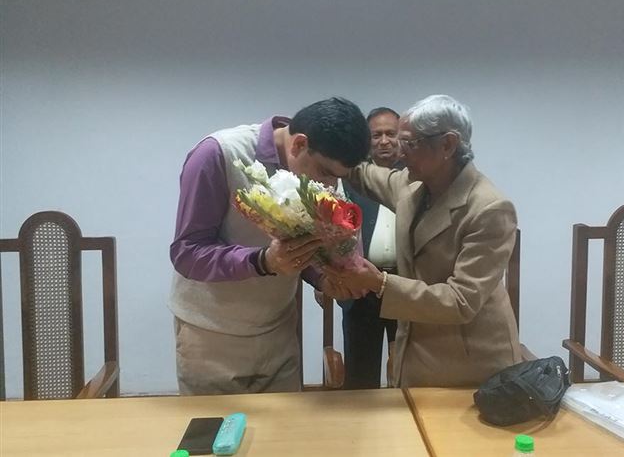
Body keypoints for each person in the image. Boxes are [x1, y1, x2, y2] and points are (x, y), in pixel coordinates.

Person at [169, 97, 371, 395]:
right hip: (212, 337)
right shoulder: (219, 154)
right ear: (299, 144)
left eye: (337, 179)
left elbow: (306, 251)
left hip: (279, 333)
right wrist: (262, 261)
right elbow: (186, 253)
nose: (330, 186)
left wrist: (327, 278)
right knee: (215, 438)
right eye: (326, 174)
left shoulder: (324, 170)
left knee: (286, 437)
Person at [323, 95, 521, 387]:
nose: (400, 153)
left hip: (470, 366)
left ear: (447, 145)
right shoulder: (413, 185)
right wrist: (322, 145)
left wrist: (379, 283)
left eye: (410, 144)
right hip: (418, 355)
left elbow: (461, 300)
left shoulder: (488, 208)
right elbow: (362, 174)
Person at [339, 107, 400, 389]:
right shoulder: (352, 180)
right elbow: (336, 232)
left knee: (408, 372)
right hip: (362, 288)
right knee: (360, 376)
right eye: (377, 135)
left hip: (406, 285)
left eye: (391, 133)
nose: (384, 141)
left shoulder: (421, 178)